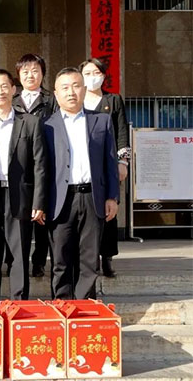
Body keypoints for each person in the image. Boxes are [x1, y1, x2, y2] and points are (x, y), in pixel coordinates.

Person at [44, 67, 119, 300]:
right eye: (65, 88)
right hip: (60, 199)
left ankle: (84, 307)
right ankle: (62, 306)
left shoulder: (101, 121)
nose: (71, 92)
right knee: (60, 259)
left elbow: (110, 162)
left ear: (84, 90)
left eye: (76, 86)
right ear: (56, 94)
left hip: (92, 198)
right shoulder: (46, 125)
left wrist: (112, 197)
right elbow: (41, 168)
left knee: (89, 259)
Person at [0, 70, 47, 303]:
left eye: (4, 86)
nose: (0, 91)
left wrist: (38, 201)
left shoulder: (30, 123)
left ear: (13, 90)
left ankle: (18, 305)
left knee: (19, 256)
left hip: (20, 197)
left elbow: (40, 165)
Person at [80, 58, 131, 278]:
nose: (92, 77)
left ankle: (107, 257)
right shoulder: (77, 100)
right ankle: (89, 259)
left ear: (103, 75)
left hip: (107, 164)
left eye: (96, 73)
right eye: (87, 73)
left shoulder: (113, 100)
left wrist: (123, 162)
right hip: (83, 166)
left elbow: (121, 132)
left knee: (108, 210)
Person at [12, 53, 59, 278]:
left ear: (42, 74)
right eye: (25, 71)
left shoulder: (52, 100)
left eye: (35, 71)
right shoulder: (12, 101)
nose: (30, 75)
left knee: (42, 216)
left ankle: (39, 260)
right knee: (17, 217)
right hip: (18, 167)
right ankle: (14, 261)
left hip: (44, 163)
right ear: (18, 75)